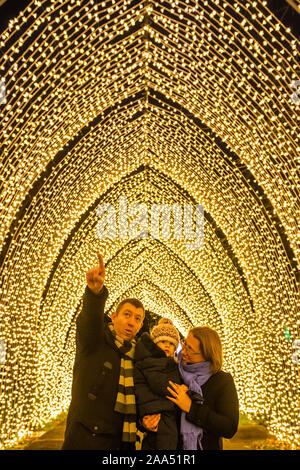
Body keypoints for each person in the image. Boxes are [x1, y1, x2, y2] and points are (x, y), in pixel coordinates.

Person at [61, 252, 145, 450]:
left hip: (120, 442)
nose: (131, 322)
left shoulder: (137, 357)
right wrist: (95, 294)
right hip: (85, 438)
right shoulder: (95, 342)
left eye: (138, 318)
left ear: (141, 326)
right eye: (127, 314)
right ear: (114, 316)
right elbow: (89, 321)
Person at [166, 326, 239, 450]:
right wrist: (145, 422)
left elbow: (229, 427)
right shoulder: (174, 371)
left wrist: (191, 408)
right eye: (185, 344)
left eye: (190, 349)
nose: (183, 352)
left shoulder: (222, 381)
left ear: (207, 355)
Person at [134, 318, 182, 450]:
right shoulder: (152, 363)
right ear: (154, 344)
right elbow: (161, 384)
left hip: (166, 416)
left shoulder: (174, 365)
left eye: (171, 344)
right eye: (162, 342)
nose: (167, 345)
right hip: (158, 414)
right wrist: (187, 392)